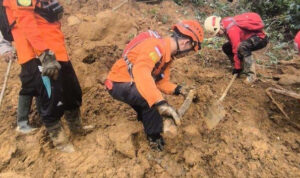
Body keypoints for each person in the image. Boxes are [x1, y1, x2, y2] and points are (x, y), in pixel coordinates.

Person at [105, 20, 203, 151]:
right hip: (118, 83)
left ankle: (145, 120)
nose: (186, 54)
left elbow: (161, 82)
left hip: (129, 84)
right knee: (150, 100)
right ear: (186, 43)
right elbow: (141, 71)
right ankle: (154, 137)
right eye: (190, 50)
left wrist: (180, 90)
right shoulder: (156, 47)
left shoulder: (167, 57)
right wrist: (159, 102)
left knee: (150, 99)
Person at [3, 0, 85, 152]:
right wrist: (44, 54)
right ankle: (59, 140)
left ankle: (76, 128)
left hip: (57, 49)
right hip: (38, 53)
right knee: (50, 97)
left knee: (71, 89)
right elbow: (25, 20)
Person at [204, 13, 269, 83]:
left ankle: (251, 75)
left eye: (217, 33)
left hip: (260, 39)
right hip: (248, 38)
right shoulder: (225, 22)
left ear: (220, 26)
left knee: (242, 47)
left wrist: (237, 67)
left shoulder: (231, 30)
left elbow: (236, 49)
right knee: (226, 47)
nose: (218, 35)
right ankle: (241, 68)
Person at [0, 32, 39, 134]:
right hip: (26, 55)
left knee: (43, 84)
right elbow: (3, 38)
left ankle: (45, 118)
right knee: (29, 85)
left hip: (42, 52)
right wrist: (6, 50)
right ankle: (22, 124)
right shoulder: (5, 16)